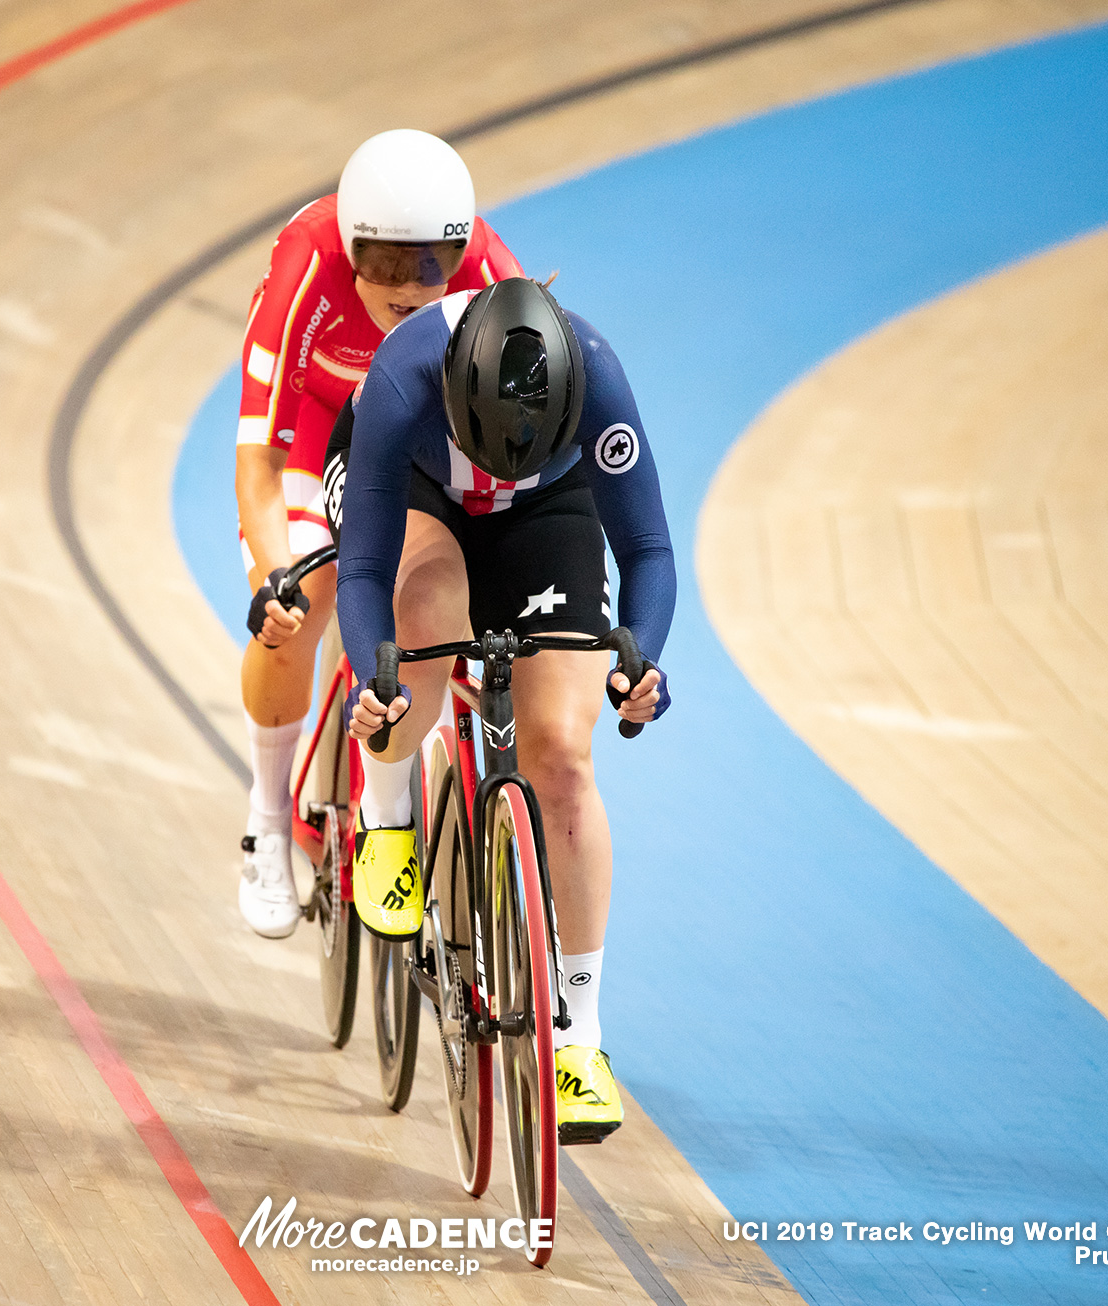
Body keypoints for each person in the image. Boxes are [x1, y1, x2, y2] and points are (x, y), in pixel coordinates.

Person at [335, 277, 674, 1144]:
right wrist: (380, 686)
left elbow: (645, 546)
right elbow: (365, 572)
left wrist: (641, 656)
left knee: (560, 754)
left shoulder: (597, 377)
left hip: (545, 510)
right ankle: (389, 822)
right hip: (421, 495)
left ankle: (582, 1041)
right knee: (427, 613)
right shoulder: (401, 382)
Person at [235, 129, 523, 938]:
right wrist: (273, 573)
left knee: (451, 596)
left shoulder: (493, 274)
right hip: (317, 431)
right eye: (385, 264)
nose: (407, 286)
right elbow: (259, 452)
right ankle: (266, 815)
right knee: (310, 597)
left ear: (460, 249)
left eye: (430, 263)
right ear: (349, 245)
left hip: (427, 442)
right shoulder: (306, 265)